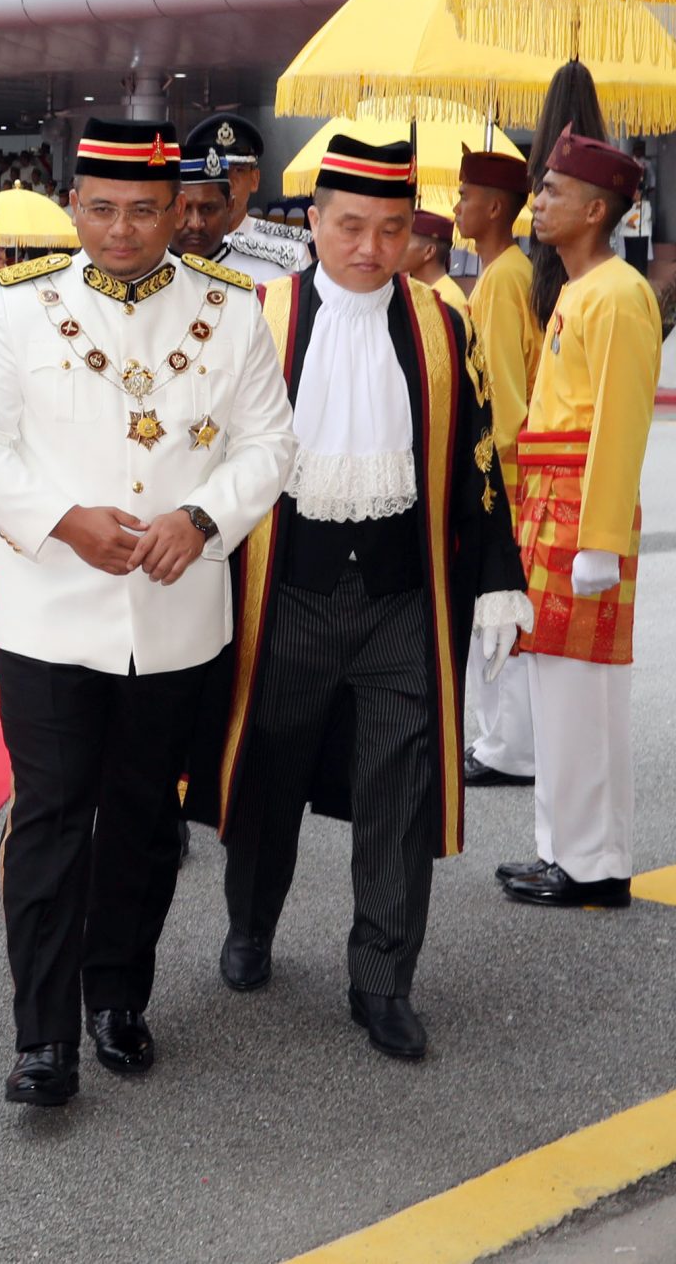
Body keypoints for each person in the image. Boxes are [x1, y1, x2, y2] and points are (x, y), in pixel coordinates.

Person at [0, 118, 296, 1109]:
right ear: (72, 206)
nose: (121, 229)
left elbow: (270, 445)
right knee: (53, 813)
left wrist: (202, 515)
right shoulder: (18, 307)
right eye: (99, 208)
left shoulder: (230, 312)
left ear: (177, 208)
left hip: (177, 611)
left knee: (144, 819)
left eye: (144, 209)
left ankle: (117, 995)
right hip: (52, 609)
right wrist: (59, 518)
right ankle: (43, 1034)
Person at [188, 133, 526, 1062]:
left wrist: (499, 578)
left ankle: (383, 978)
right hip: (283, 593)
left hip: (400, 602)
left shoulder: (440, 324)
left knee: (400, 792)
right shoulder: (255, 316)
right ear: (312, 221)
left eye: (389, 229)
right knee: (267, 778)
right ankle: (250, 923)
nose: (369, 247)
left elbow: (480, 458)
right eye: (349, 226)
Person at [498, 128, 661, 911]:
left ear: (597, 209)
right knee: (556, 686)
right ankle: (563, 849)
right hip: (552, 504)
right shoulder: (576, 289)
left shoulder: (621, 294)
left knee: (584, 695)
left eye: (553, 190)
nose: (538, 202)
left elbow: (620, 425)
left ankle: (594, 862)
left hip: (580, 514)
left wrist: (599, 541)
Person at [456, 147, 540, 789]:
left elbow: (505, 396)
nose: (455, 206)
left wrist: (493, 478)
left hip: (505, 470)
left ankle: (505, 747)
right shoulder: (498, 274)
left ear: (493, 207)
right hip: (501, 466)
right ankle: (496, 740)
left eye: (464, 195)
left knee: (499, 605)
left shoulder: (507, 277)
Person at [176, 113, 309, 283]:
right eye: (215, 171)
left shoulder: (289, 249)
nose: (227, 182)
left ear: (254, 180)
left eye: (238, 170)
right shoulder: (171, 248)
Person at [405, 208, 469, 317]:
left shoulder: (448, 300)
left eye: (405, 242)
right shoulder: (411, 291)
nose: (396, 248)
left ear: (429, 251)